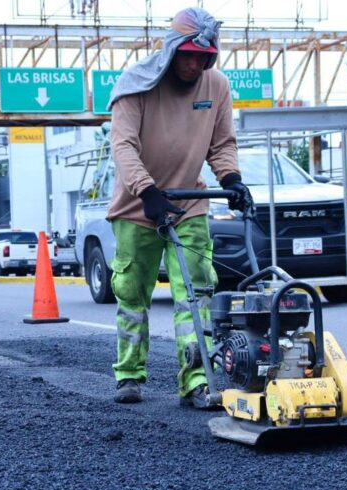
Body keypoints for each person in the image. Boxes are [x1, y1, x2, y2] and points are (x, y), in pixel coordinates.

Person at [106, 7, 252, 408]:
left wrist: (231, 180)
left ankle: (197, 379)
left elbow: (221, 144)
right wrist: (147, 191)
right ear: (171, 51)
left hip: (189, 202)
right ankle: (129, 374)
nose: (193, 65)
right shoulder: (135, 84)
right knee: (133, 293)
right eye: (186, 55)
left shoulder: (217, 86)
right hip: (139, 205)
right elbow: (123, 146)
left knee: (197, 289)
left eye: (202, 58)